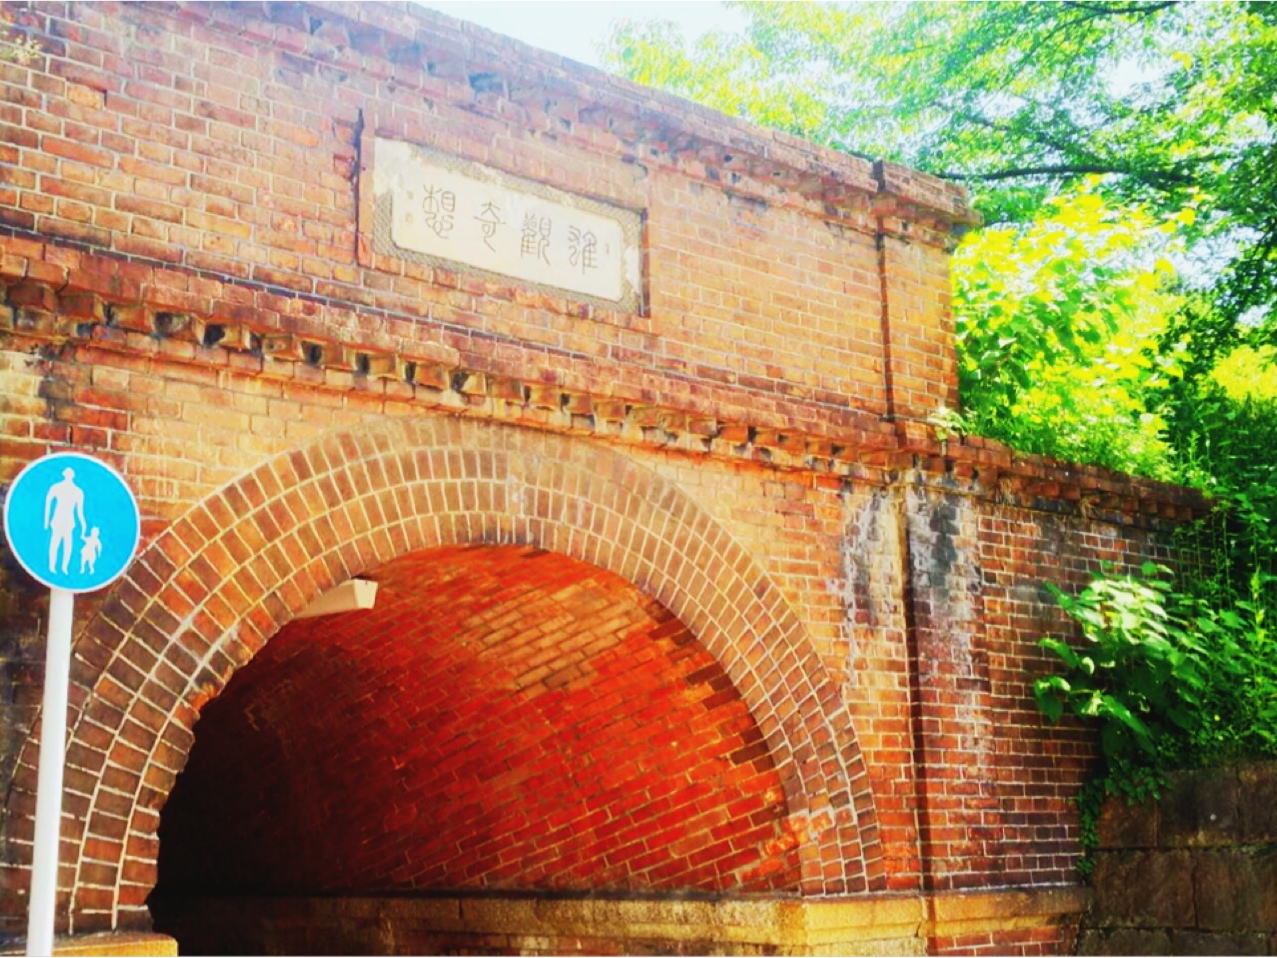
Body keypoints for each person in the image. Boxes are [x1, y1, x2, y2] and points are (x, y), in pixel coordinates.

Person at [44, 467, 86, 575]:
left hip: (69, 522)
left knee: (67, 545)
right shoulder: (57, 487)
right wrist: (46, 521)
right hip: (58, 520)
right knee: (55, 544)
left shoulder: (78, 491)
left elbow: (80, 511)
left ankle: (64, 568)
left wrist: (83, 525)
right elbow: (48, 503)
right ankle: (52, 567)